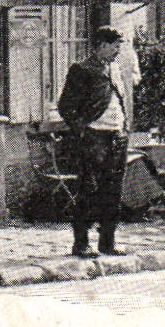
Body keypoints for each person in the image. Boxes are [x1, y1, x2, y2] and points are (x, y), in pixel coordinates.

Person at [56, 26, 130, 258]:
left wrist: (124, 127)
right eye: (115, 44)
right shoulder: (82, 69)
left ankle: (107, 242)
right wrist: (82, 132)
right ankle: (81, 243)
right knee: (89, 191)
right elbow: (66, 106)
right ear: (101, 45)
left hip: (116, 137)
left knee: (113, 192)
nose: (118, 49)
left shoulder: (115, 69)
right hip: (94, 138)